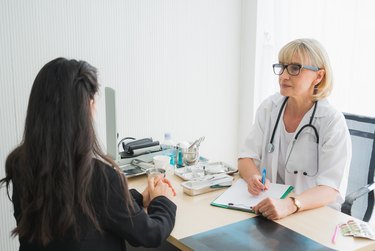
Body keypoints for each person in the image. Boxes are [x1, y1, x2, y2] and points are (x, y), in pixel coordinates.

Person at [0, 58, 177, 250]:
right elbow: (151, 234)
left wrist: (138, 199)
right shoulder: (99, 178)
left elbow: (86, 211)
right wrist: (162, 200)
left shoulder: (21, 165)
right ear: (87, 106)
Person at [238, 38, 351, 220]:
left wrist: (291, 204)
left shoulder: (332, 121)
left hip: (312, 216)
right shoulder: (269, 107)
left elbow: (330, 189)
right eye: (282, 67)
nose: (283, 76)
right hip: (268, 210)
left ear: (319, 76)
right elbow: (245, 158)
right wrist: (253, 177)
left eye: (295, 68)